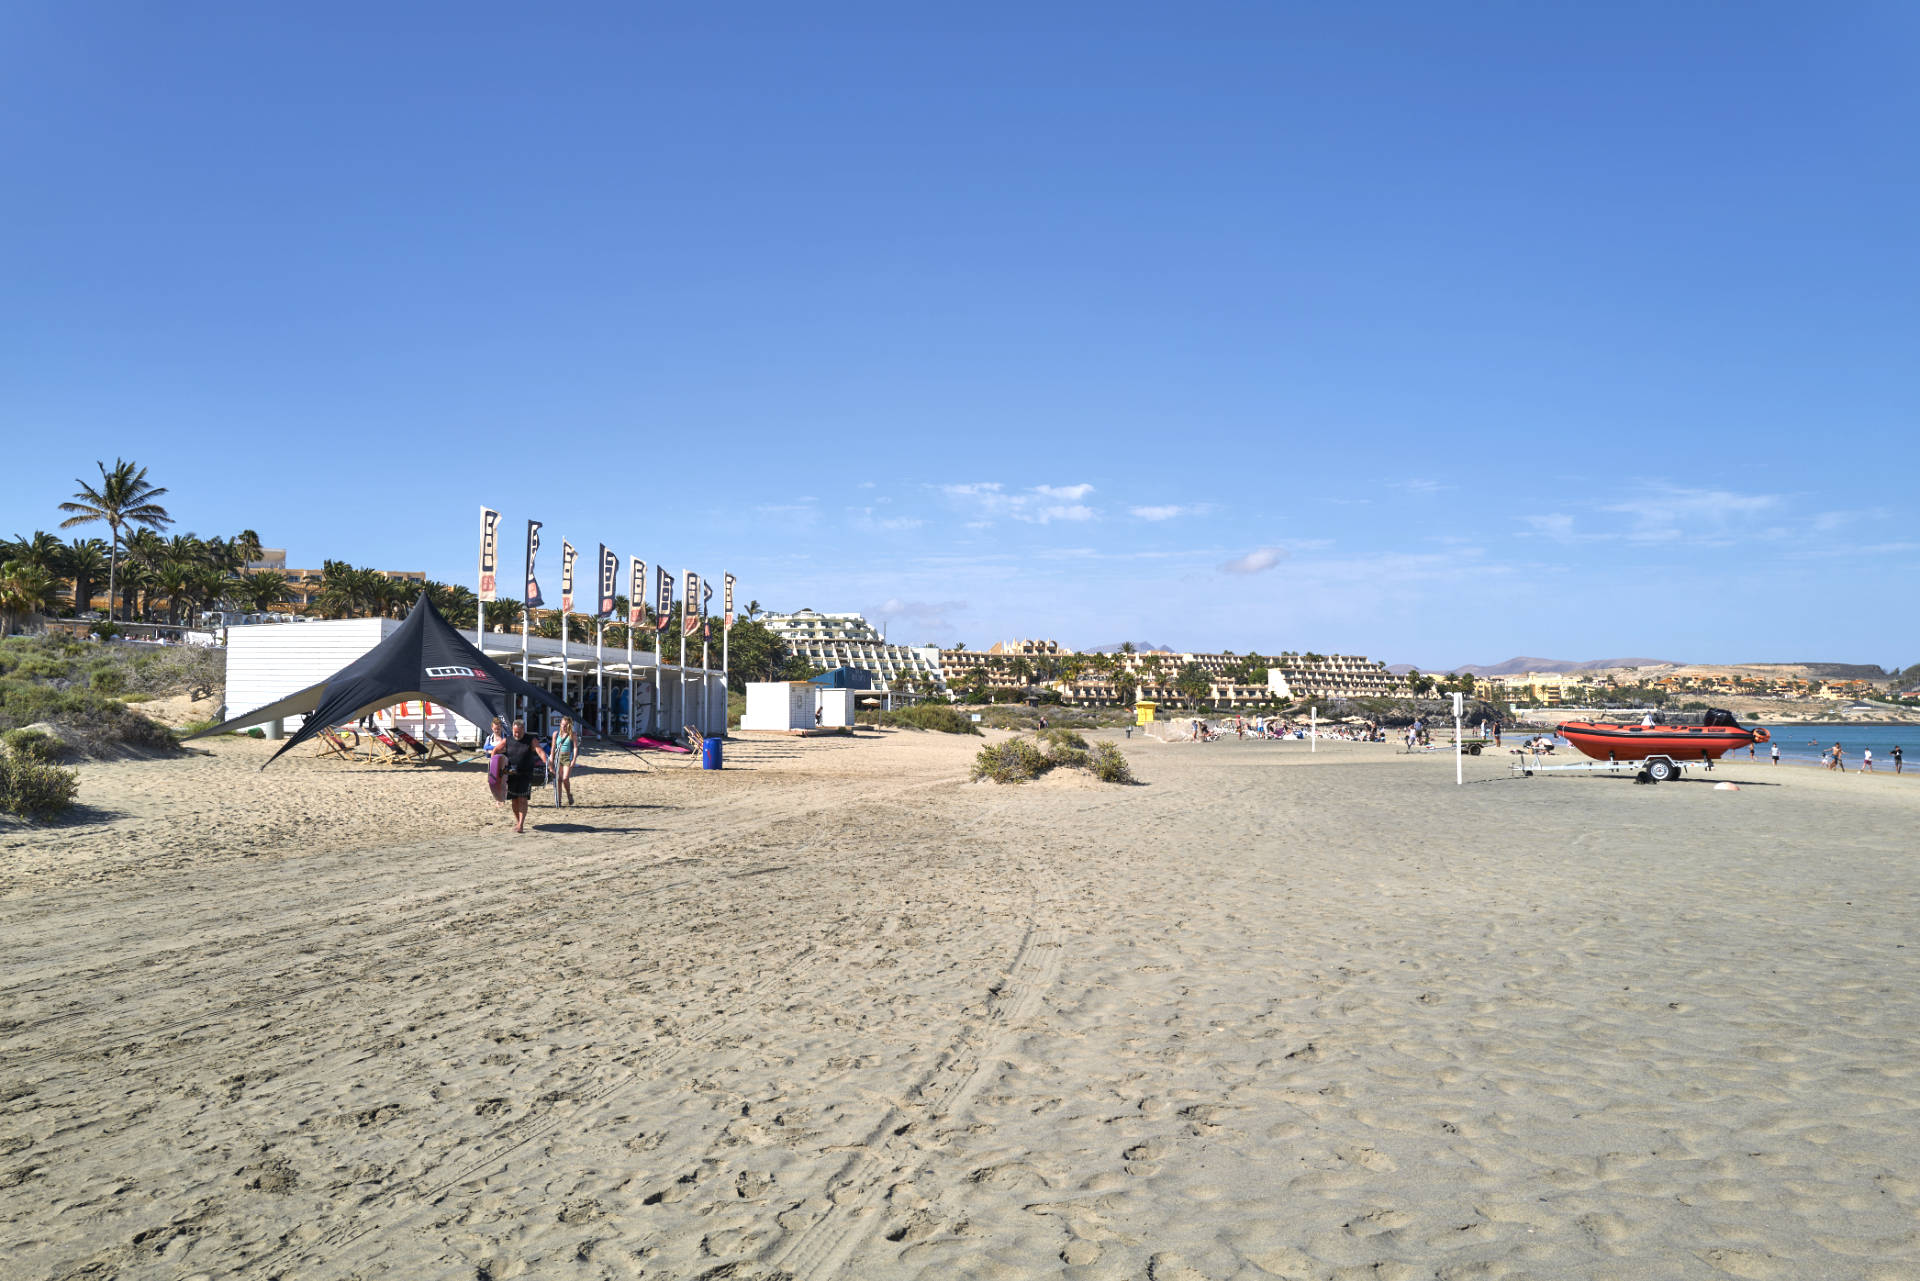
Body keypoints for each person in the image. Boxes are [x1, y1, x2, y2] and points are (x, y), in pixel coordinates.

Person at [500, 719, 551, 834]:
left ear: (523, 729)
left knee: (522, 799)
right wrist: (493, 766)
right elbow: (496, 750)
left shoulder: (531, 740)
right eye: (514, 732)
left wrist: (547, 763)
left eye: (518, 732)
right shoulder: (508, 740)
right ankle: (518, 822)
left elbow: (540, 751)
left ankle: (521, 824)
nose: (516, 734)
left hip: (526, 774)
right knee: (514, 800)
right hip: (511, 774)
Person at [551, 715, 579, 805]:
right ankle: (558, 800)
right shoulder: (556, 734)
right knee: (558, 779)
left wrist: (574, 759)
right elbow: (553, 747)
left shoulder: (572, 734)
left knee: (565, 778)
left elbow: (575, 747)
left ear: (569, 725)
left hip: (567, 757)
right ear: (560, 724)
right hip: (558, 757)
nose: (564, 726)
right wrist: (551, 757)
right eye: (562, 724)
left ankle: (568, 794)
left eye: (566, 725)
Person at [485, 716, 509, 804]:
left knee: (504, 781)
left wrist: (494, 749)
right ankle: (497, 799)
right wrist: (497, 749)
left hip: (504, 761)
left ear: (501, 727)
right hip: (492, 762)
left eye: (498, 728)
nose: (497, 730)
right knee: (492, 781)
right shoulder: (489, 738)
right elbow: (486, 749)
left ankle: (502, 799)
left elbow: (507, 749)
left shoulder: (505, 737)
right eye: (495, 728)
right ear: (492, 728)